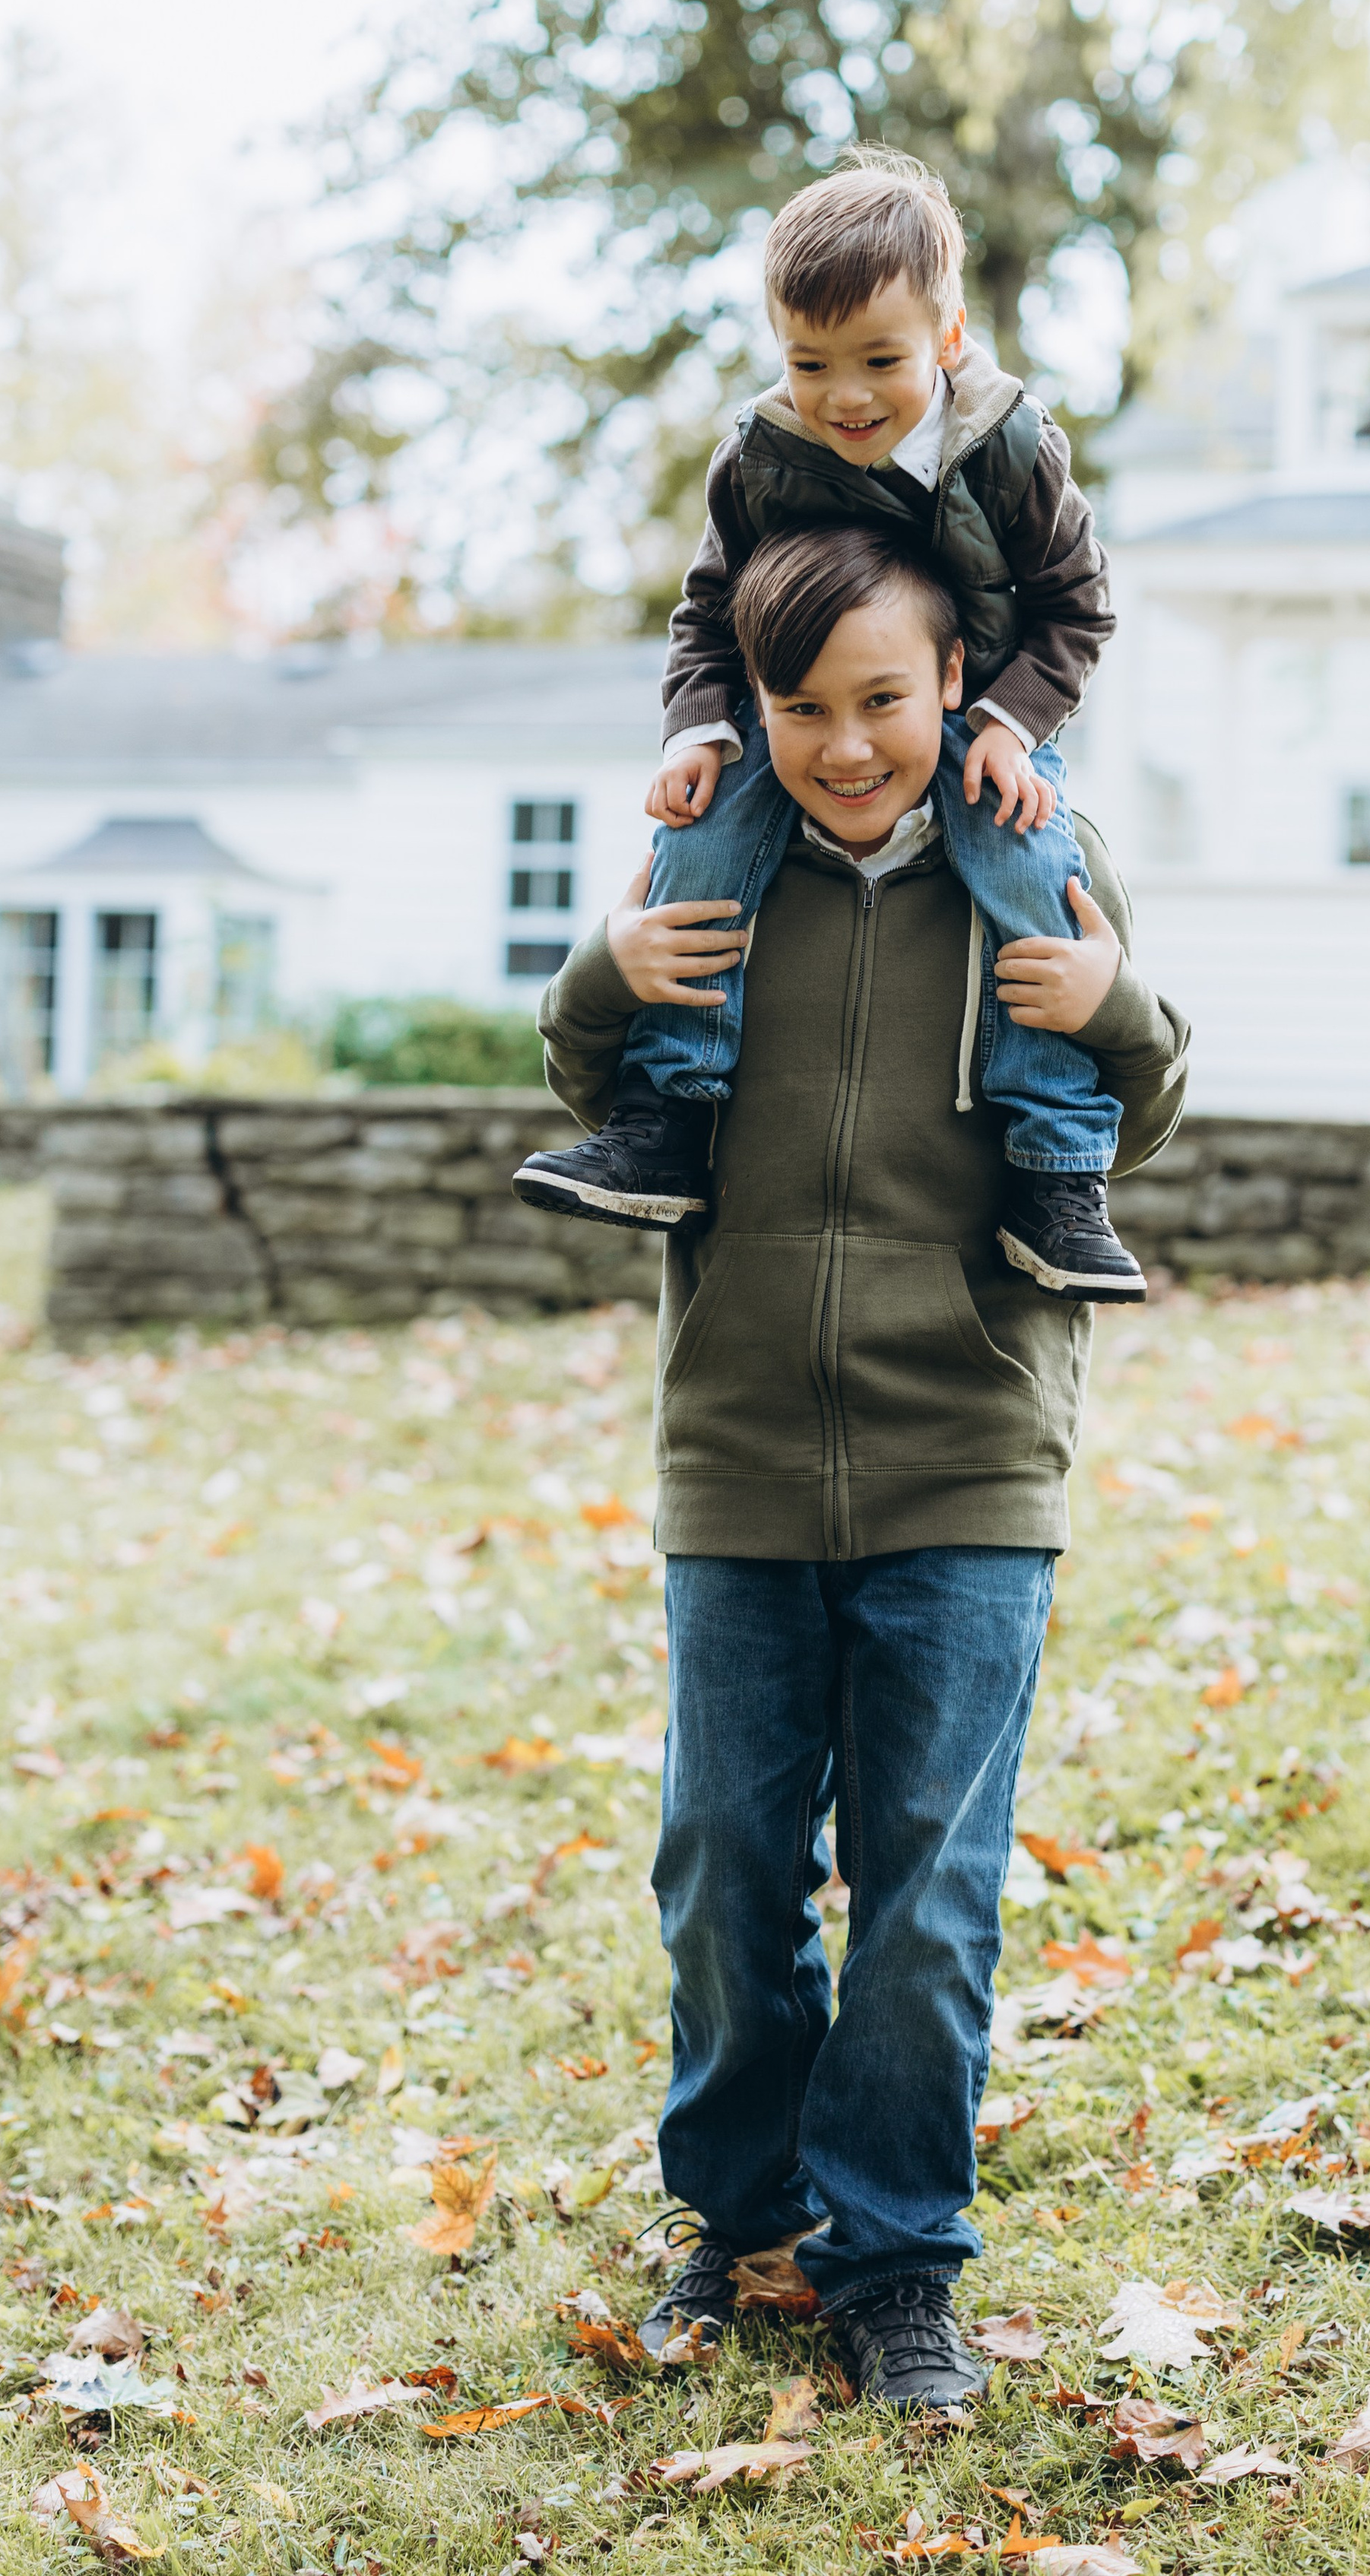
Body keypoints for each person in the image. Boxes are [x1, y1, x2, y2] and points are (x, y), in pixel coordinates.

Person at [530, 524, 1189, 2410]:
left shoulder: (1029, 853)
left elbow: (1142, 1098)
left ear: (953, 689)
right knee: (724, 1865)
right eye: (799, 705)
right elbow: (599, 1081)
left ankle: (897, 2258)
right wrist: (604, 969)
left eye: (880, 701)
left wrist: (1111, 1009)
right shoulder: (713, 862)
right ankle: (736, 2228)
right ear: (749, 702)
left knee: (925, 1883)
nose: (841, 744)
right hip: (736, 1444)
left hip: (972, 1444)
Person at [513, 147, 1146, 1303]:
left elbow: (1077, 605)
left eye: (880, 362)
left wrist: (1012, 719)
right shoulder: (761, 457)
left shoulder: (1009, 447)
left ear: (947, 341)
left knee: (1028, 863)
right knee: (696, 846)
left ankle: (1056, 1168)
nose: (845, 397)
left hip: (974, 711)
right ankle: (667, 1116)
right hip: (797, 711)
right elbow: (707, 610)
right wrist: (696, 732)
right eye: (811, 363)